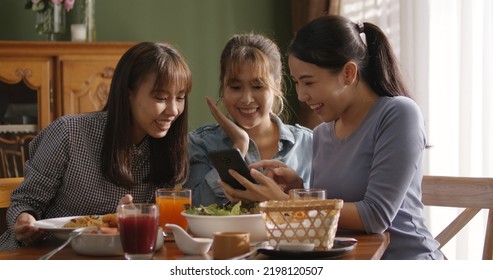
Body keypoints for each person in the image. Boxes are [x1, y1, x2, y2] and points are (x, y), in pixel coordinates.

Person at [219, 16, 444, 260]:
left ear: (348, 73)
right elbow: (329, 216)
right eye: (296, 83)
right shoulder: (322, 134)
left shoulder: (398, 114)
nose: (302, 95)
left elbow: (375, 217)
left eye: (309, 82)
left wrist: (285, 203)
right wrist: (297, 190)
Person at [0, 42, 192, 251]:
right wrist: (24, 220)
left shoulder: (164, 149)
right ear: (128, 93)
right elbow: (24, 201)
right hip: (47, 255)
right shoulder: (69, 133)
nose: (173, 110)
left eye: (180, 97)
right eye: (161, 98)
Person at [185, 33, 313, 207]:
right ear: (223, 87)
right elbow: (193, 207)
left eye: (258, 86)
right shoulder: (201, 143)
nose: (246, 99)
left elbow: (324, 212)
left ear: (277, 85)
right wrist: (239, 146)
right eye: (236, 87)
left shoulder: (309, 142)